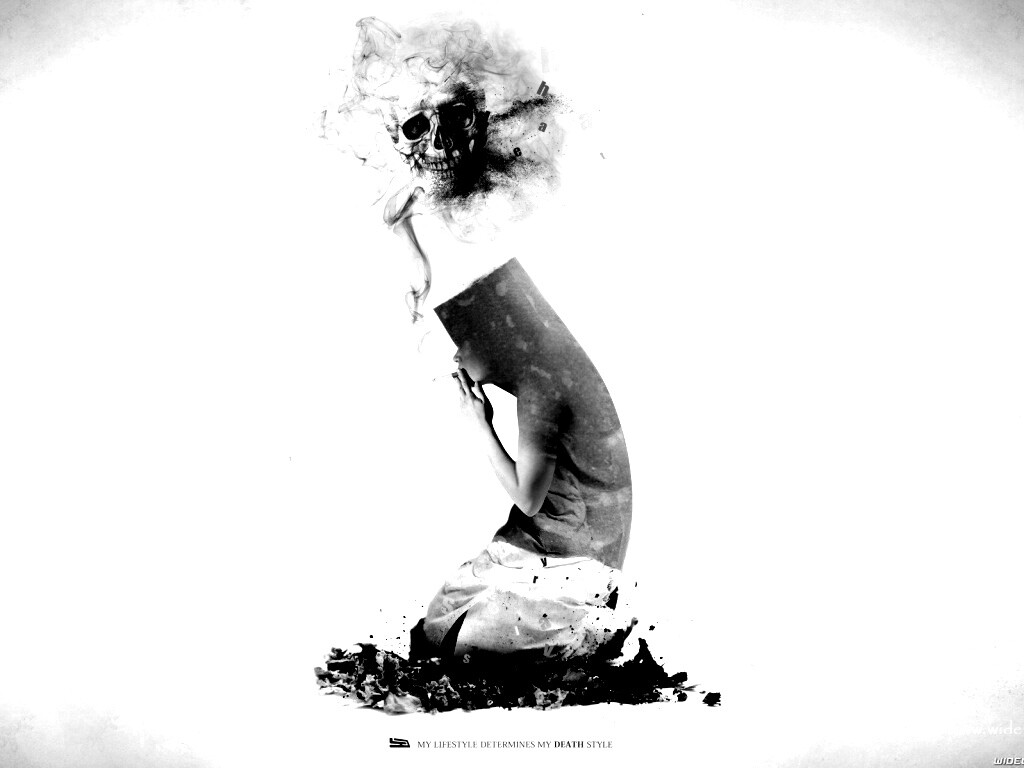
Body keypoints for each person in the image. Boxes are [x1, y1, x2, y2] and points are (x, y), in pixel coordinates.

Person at [412, 258, 634, 660]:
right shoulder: (544, 371)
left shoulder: (540, 386)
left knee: (463, 643)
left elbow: (528, 499)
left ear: (491, 337)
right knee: (441, 623)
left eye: (462, 341)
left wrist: (480, 425)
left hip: (574, 557)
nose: (457, 356)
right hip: (558, 541)